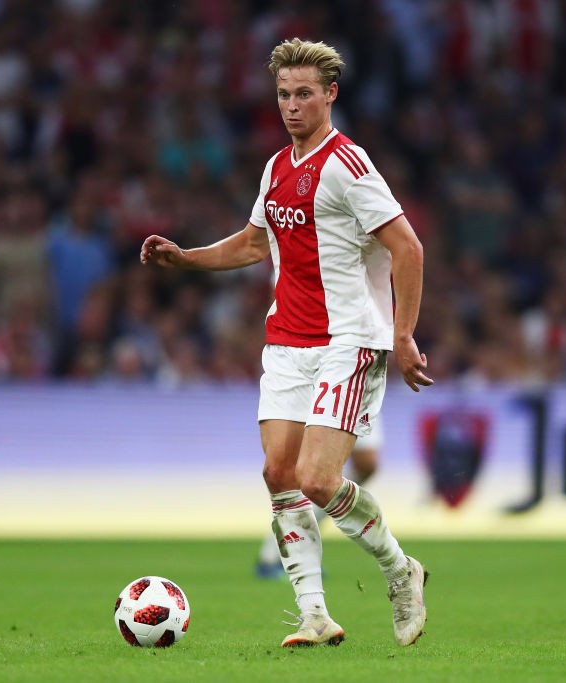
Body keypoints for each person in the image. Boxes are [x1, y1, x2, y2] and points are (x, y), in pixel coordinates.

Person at [140, 38, 433, 647]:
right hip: (287, 341)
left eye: (304, 94)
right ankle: (315, 614)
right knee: (279, 473)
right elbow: (253, 244)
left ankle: (400, 569)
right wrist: (185, 257)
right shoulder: (277, 168)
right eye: (283, 95)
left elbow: (408, 246)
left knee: (319, 479)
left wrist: (402, 335)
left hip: (348, 338)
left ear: (330, 95)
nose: (292, 106)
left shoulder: (349, 166)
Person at [253, 415, 383, 579]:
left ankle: (299, 539)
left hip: (364, 391)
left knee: (365, 464)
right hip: (327, 391)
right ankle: (276, 554)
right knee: (314, 467)